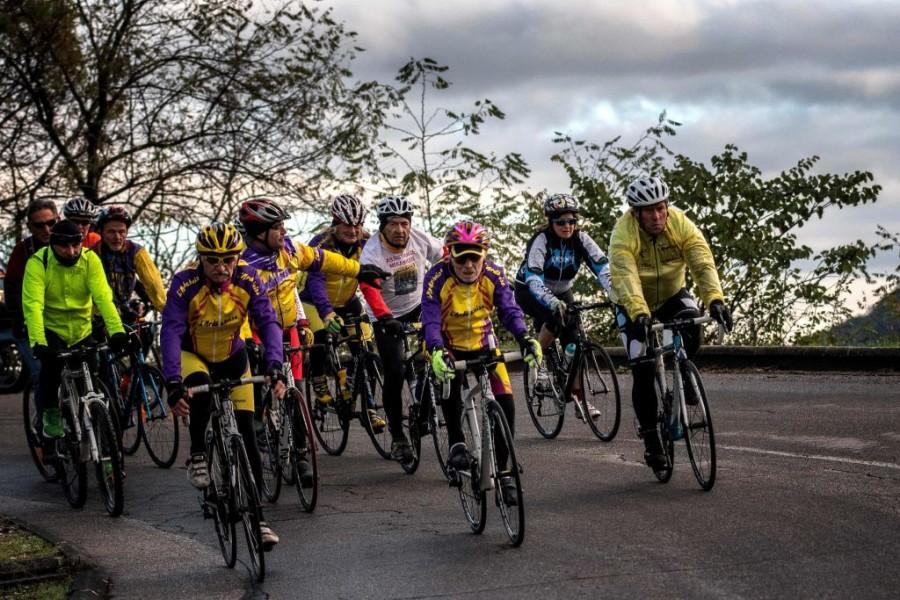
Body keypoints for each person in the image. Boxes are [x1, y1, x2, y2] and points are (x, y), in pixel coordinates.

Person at [238, 197, 386, 485]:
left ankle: (301, 455)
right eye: (278, 227)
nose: (284, 232)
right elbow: (235, 305)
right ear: (259, 232)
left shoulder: (289, 250)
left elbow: (324, 260)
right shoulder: (241, 263)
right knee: (257, 377)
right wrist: (246, 339)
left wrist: (358, 270)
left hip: (288, 326)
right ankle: (256, 418)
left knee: (295, 389)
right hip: (254, 329)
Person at [160, 223, 286, 549]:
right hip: (194, 355)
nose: (221, 267)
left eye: (228, 259)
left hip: (233, 355)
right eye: (213, 260)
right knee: (199, 388)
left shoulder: (246, 278)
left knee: (246, 433)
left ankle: (258, 521)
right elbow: (171, 332)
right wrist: (173, 381)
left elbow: (268, 320)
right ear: (201, 259)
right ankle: (198, 453)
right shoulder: (184, 283)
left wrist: (275, 363)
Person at [608, 176, 733, 471]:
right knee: (643, 367)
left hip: (671, 293)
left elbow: (702, 262)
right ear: (635, 213)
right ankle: (651, 438)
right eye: (649, 211)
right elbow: (625, 277)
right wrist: (638, 313)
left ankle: (684, 373)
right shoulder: (623, 234)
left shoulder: (680, 224)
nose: (657, 216)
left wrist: (715, 299)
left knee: (692, 322)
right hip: (631, 302)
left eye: (661, 208)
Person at [422, 221, 542, 505]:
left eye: (474, 256)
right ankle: (457, 444)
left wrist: (525, 337)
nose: (467, 264)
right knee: (449, 384)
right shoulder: (436, 277)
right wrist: (437, 350)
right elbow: (429, 318)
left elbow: (509, 310)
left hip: (484, 345)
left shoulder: (494, 275)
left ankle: (505, 472)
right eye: (461, 256)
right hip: (447, 346)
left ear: (484, 254)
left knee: (506, 403)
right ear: (450, 254)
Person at [21, 220, 129, 452]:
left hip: (82, 329)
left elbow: (103, 298)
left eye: (75, 246)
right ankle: (51, 414)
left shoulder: (90, 260)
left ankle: (94, 426)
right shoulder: (38, 263)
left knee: (90, 380)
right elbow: (33, 306)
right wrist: (38, 342)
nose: (71, 252)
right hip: (51, 328)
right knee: (50, 371)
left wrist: (117, 331)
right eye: (64, 247)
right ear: (53, 244)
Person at [358, 195, 444, 462]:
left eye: (404, 223)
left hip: (418, 306)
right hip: (386, 315)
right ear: (382, 226)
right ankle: (398, 437)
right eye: (393, 224)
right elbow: (370, 290)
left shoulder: (419, 239)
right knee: (395, 371)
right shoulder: (372, 252)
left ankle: (424, 411)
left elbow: (446, 258)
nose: (399, 230)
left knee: (437, 358)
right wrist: (385, 318)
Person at [513, 193, 613, 420]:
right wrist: (552, 302)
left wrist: (615, 294)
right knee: (555, 320)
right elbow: (534, 280)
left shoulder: (581, 239)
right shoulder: (541, 240)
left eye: (572, 221)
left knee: (575, 342)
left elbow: (603, 268)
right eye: (561, 222)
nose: (567, 226)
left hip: (562, 290)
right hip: (529, 290)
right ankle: (536, 361)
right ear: (551, 222)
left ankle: (579, 400)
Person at [300, 194, 383, 428]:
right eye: (347, 225)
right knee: (320, 336)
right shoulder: (319, 245)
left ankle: (368, 406)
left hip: (347, 300)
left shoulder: (366, 244)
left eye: (357, 225)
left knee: (367, 351)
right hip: (314, 302)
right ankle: (318, 378)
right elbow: (315, 282)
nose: (353, 230)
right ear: (335, 223)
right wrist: (326, 313)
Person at [5, 199, 59, 394]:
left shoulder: (70, 246)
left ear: (58, 219)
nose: (46, 229)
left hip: (61, 323)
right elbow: (12, 292)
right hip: (30, 324)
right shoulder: (21, 252)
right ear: (30, 227)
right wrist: (21, 319)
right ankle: (45, 423)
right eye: (39, 225)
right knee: (41, 375)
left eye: (51, 223)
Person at [89, 206, 166, 328]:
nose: (117, 237)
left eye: (121, 232)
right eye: (111, 232)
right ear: (101, 232)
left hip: (126, 313)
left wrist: (168, 312)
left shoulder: (136, 252)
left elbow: (154, 285)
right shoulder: (91, 254)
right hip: (97, 318)